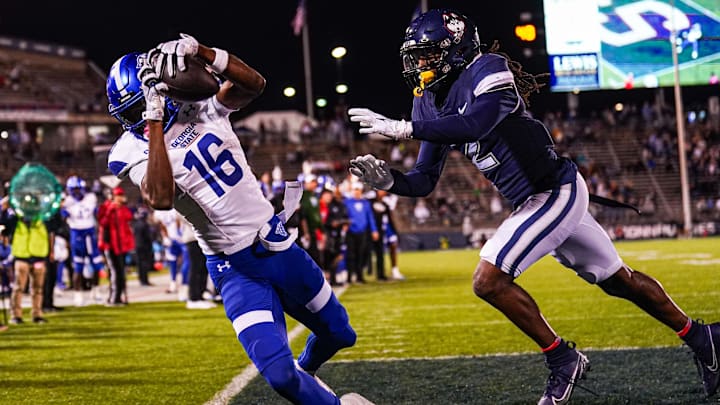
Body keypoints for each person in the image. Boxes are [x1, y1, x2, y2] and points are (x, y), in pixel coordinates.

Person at [347, 8, 719, 404]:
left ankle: (562, 358)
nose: (419, 65)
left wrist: (404, 128)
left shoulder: (488, 69)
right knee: (618, 280)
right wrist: (389, 182)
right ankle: (704, 337)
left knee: (488, 280)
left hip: (554, 190)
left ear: (455, 50)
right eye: (416, 56)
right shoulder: (427, 103)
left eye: (427, 55)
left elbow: (476, 123)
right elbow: (423, 179)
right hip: (532, 200)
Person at [105, 33, 371, 405]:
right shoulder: (130, 150)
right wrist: (151, 122)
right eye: (131, 113)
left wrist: (203, 53)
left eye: (146, 104)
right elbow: (161, 197)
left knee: (341, 335)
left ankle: (309, 369)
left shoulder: (198, 108)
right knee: (279, 376)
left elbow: (255, 84)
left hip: (277, 247)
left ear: (164, 91)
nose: (140, 114)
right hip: (234, 268)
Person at [61, 176, 106, 307]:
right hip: (76, 234)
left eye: (77, 189)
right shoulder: (67, 201)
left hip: (90, 233)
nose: (75, 192)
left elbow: (98, 213)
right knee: (78, 267)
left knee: (96, 264)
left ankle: (96, 290)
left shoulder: (91, 198)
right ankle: (78, 294)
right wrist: (62, 210)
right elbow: (63, 219)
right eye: (73, 189)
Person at [98, 186, 135, 306]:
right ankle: (113, 298)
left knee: (121, 272)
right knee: (114, 272)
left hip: (122, 245)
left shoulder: (123, 209)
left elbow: (129, 218)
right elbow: (102, 223)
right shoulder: (106, 207)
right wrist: (110, 209)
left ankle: (119, 296)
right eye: (118, 195)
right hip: (111, 245)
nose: (120, 198)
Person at [153, 208, 189, 299]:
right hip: (175, 238)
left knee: (183, 261)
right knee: (176, 261)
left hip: (177, 237)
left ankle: (181, 284)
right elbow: (161, 225)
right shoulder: (160, 211)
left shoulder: (168, 209)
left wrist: (169, 236)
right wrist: (166, 237)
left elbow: (177, 221)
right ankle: (177, 284)